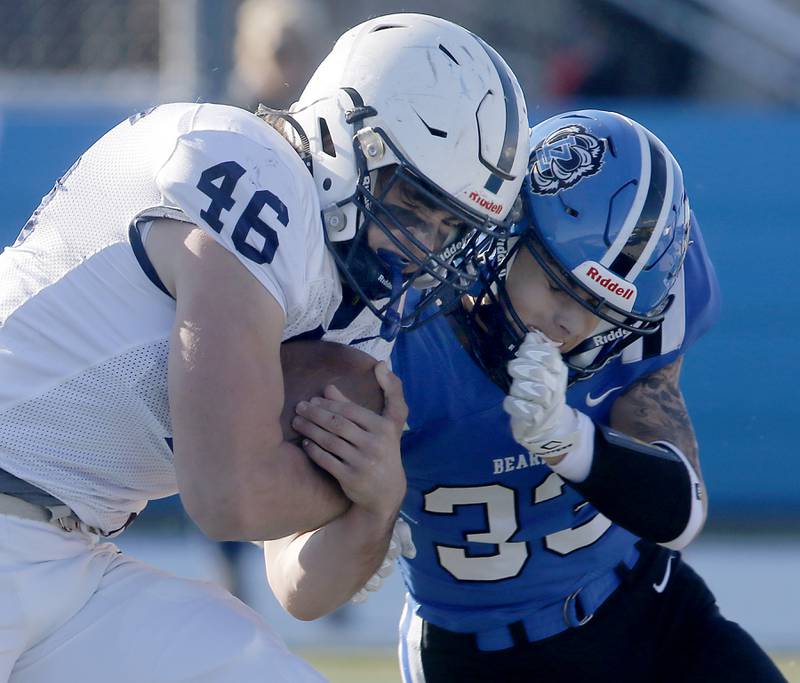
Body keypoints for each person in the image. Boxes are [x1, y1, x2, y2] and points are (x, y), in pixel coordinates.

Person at [0, 13, 529, 682]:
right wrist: (340, 488)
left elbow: (300, 587)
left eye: (449, 225)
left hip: (67, 558)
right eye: (411, 202)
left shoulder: (349, 306)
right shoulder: (254, 172)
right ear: (345, 138)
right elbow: (232, 495)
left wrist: (378, 495)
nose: (421, 242)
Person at [270, 110, 787, 682]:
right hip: (475, 657)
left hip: (645, 610)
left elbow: (680, 512)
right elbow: (297, 589)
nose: (572, 322)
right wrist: (368, 516)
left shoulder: (647, 310)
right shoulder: (395, 333)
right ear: (505, 238)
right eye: (557, 284)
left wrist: (568, 441)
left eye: (604, 308)